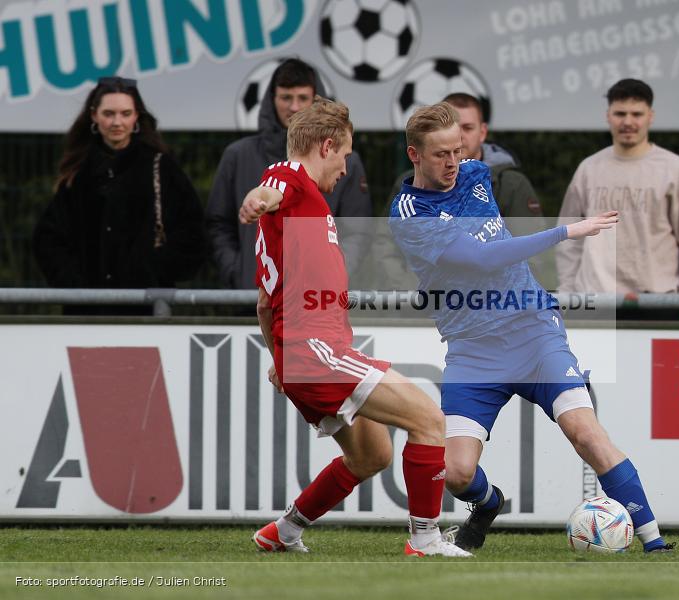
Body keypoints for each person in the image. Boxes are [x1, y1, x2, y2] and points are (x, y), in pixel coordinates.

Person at [387, 103, 674, 553]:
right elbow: (482, 258)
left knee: (585, 431)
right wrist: (568, 231)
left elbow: (494, 245)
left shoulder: (476, 174)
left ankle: (655, 543)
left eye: (458, 151)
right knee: (458, 472)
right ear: (414, 154)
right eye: (441, 154)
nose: (452, 163)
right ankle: (488, 502)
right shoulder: (408, 212)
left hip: (534, 330)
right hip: (473, 349)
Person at [239, 97, 469, 558]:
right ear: (326, 147)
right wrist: (257, 199)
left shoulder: (303, 207)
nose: (345, 169)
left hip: (303, 353)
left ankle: (281, 532)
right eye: (344, 156)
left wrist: (278, 360)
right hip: (317, 350)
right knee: (429, 419)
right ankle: (425, 540)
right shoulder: (292, 181)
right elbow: (271, 188)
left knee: (372, 455)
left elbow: (266, 304)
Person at [32, 76, 205, 315]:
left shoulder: (160, 166)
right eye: (109, 113)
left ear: (136, 117)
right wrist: (74, 285)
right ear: (94, 115)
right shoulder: (77, 171)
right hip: (86, 312)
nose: (117, 122)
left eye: (125, 113)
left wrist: (152, 269)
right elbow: (47, 239)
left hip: (145, 308)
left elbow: (192, 232)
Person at [207, 58, 372, 290]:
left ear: (316, 101)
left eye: (302, 98)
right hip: (254, 299)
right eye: (286, 97)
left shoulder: (345, 162)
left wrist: (334, 278)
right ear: (271, 100)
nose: (294, 107)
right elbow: (272, 191)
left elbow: (358, 231)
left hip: (316, 298)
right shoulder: (241, 156)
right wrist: (238, 271)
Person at [556, 79, 679, 308]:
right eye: (620, 113)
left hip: (657, 303)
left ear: (650, 116)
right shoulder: (589, 170)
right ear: (608, 116)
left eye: (636, 114)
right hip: (594, 302)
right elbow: (569, 237)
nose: (628, 122)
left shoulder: (677, 171)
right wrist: (569, 294)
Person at [369, 92, 554, 291]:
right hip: (423, 308)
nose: (460, 135)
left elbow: (530, 252)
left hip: (494, 307)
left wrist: (504, 298)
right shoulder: (411, 187)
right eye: (450, 128)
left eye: (467, 127)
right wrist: (412, 294)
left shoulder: (511, 184)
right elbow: (385, 245)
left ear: (483, 132)